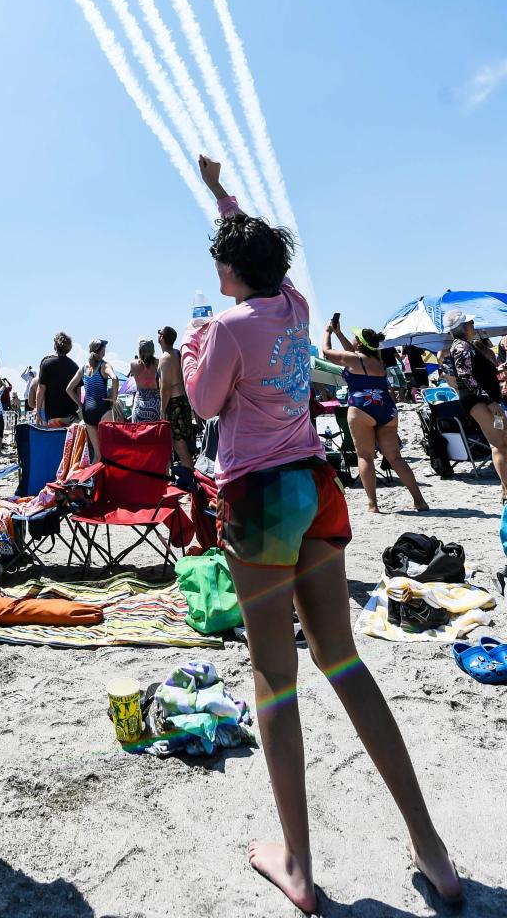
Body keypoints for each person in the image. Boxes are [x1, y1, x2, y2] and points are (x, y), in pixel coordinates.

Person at [182, 154, 459, 914]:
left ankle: (298, 866)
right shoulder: (296, 307)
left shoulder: (230, 326)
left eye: (220, 264)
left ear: (231, 271)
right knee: (343, 662)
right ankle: (432, 849)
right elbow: (256, 255)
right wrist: (222, 196)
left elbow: (205, 406)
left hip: (260, 494)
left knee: (276, 677)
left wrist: (190, 341)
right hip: (316, 485)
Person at [320, 320, 428, 515]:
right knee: (395, 458)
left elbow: (326, 352)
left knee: (365, 457)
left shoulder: (353, 360)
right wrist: (340, 333)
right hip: (386, 407)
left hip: (362, 408)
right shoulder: (377, 359)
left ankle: (373, 505)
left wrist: (328, 332)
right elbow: (353, 353)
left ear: (360, 343)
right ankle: (419, 501)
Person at [441, 307, 507, 498]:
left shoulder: (465, 345)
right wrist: (489, 401)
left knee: (503, 438)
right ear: (464, 327)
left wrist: (497, 371)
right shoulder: (462, 347)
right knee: (498, 444)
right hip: (480, 403)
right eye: (470, 323)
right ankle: (505, 491)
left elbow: (474, 374)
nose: (473, 325)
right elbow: (466, 378)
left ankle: (505, 487)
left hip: (485, 401)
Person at [67, 339, 117, 460]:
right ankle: (110, 477)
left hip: (88, 412)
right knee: (111, 448)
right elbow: (114, 378)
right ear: (102, 351)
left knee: (97, 454)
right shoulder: (104, 365)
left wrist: (80, 404)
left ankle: (95, 478)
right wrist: (113, 398)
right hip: (103, 408)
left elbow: (69, 389)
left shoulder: (84, 368)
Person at [159, 325, 194, 465]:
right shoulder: (177, 353)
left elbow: (165, 387)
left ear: (161, 337)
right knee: (182, 443)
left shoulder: (165, 358)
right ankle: (190, 475)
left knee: (179, 444)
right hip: (183, 399)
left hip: (173, 403)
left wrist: (162, 410)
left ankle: (193, 478)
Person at [36, 332, 79, 426]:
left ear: (55, 345)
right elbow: (78, 392)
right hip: (72, 416)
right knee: (70, 441)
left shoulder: (46, 364)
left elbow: (41, 390)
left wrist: (38, 413)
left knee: (55, 440)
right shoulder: (74, 366)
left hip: (54, 416)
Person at [129, 338, 161, 423]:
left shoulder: (133, 364)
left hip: (140, 403)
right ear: (153, 349)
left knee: (138, 432)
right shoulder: (158, 363)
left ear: (140, 350)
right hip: (155, 403)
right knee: (155, 433)